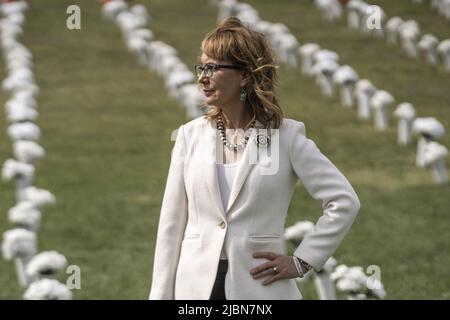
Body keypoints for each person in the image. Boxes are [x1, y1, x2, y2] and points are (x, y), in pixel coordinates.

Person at [149, 17, 360, 300]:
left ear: (245, 75)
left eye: (213, 67)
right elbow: (170, 227)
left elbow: (344, 200)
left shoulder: (287, 136)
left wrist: (302, 260)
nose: (202, 76)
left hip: (260, 289)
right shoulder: (189, 136)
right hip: (194, 290)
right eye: (201, 66)